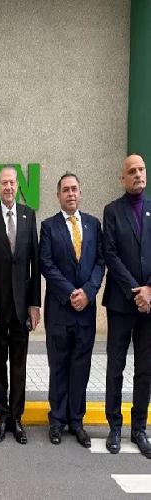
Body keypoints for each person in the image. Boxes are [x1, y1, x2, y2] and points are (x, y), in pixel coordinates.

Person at [39, 173, 104, 448]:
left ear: (80, 192)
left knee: (81, 368)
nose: (70, 194)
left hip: (85, 312)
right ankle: (56, 420)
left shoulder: (93, 225)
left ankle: (76, 421)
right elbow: (46, 264)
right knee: (58, 368)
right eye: (65, 190)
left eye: (74, 189)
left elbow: (100, 262)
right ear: (58, 196)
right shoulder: (48, 227)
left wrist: (88, 292)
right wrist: (70, 293)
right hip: (60, 310)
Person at [0, 165, 41, 444]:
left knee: (19, 365)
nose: (8, 187)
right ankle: (2, 416)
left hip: (21, 307)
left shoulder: (29, 216)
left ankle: (17, 418)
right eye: (4, 183)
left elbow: (35, 264)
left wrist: (34, 304)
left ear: (18, 186)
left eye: (12, 183)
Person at [103, 154, 151, 458]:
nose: (137, 175)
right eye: (131, 171)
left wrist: (149, 290)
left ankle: (139, 429)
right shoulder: (112, 211)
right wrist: (137, 290)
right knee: (115, 367)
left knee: (145, 370)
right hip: (122, 303)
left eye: (141, 169)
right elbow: (110, 253)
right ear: (123, 178)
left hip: (149, 306)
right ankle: (115, 427)